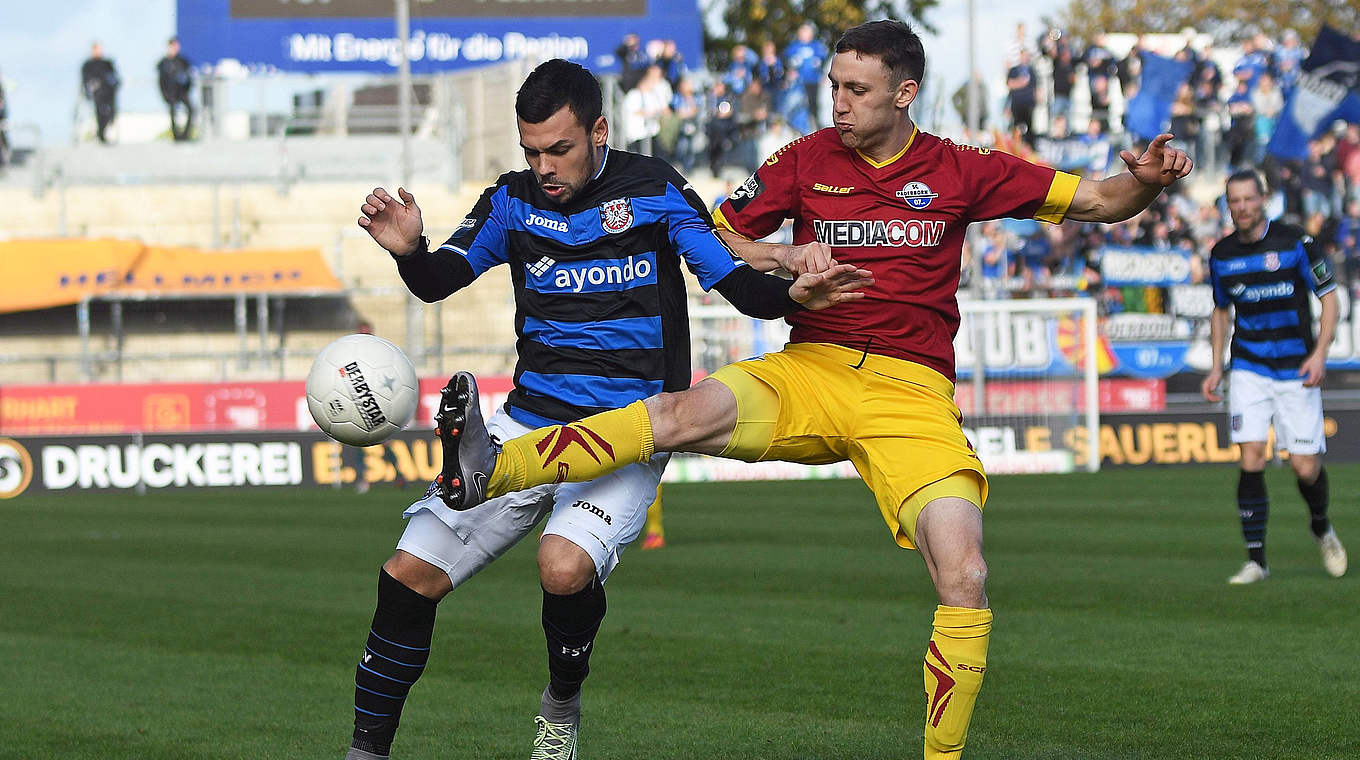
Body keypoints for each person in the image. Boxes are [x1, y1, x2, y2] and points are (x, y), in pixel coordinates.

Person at [437, 20, 1193, 759]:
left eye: (857, 90)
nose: (838, 102)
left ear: (904, 93)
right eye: (834, 85)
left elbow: (1100, 199)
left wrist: (1147, 183)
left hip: (912, 394)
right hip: (811, 368)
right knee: (673, 412)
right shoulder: (801, 159)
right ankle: (490, 468)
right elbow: (714, 232)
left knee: (965, 574)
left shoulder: (964, 167)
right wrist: (783, 254)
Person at [344, 58, 870, 760]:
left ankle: (561, 704)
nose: (544, 166)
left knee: (561, 567)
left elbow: (734, 282)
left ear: (599, 131)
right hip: (529, 420)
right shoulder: (510, 200)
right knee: (407, 576)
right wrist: (410, 251)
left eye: (559, 149)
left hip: (628, 433)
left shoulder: (653, 190)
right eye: (531, 151)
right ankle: (365, 753)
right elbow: (441, 279)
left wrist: (789, 298)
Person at [1199, 170, 1348, 585]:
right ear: (1228, 205)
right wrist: (1216, 367)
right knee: (1251, 456)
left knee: (1304, 467)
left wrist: (1320, 354)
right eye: (1235, 201)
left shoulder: (1296, 243)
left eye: (1249, 199)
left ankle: (1321, 526)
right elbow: (1220, 309)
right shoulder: (1222, 254)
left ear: (1263, 199)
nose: (1243, 207)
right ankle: (1256, 560)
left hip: (1296, 368)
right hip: (1248, 366)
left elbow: (1330, 297)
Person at [80, 42, 119, 144]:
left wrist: (115, 85)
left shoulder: (107, 63)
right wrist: (88, 92)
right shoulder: (88, 65)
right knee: (99, 113)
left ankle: (103, 132)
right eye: (97, 49)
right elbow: (85, 80)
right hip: (97, 93)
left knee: (110, 113)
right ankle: (101, 134)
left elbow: (115, 77)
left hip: (109, 92)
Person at [157, 37, 194, 141]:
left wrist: (186, 85)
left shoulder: (182, 61)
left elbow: (189, 77)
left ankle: (185, 135)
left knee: (191, 110)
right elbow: (161, 81)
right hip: (171, 93)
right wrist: (165, 94)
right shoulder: (164, 63)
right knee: (173, 111)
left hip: (182, 92)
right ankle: (176, 135)